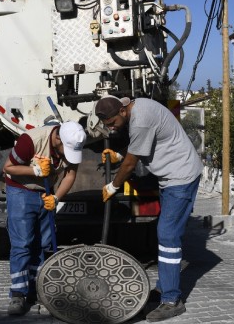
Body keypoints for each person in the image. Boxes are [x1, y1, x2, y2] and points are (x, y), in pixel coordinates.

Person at [95, 96, 203, 322]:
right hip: (170, 177)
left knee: (168, 235)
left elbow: (131, 164)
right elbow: (139, 143)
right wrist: (119, 153)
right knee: (166, 235)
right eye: (107, 126)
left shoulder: (141, 119)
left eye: (112, 122)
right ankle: (164, 288)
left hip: (180, 177)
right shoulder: (138, 106)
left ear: (123, 111)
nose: (112, 128)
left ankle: (172, 300)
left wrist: (113, 186)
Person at [1, 121, 87, 316]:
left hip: (46, 193)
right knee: (23, 243)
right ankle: (18, 294)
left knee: (44, 244)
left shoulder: (73, 141)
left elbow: (69, 175)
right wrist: (36, 171)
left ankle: (38, 289)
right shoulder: (30, 140)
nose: (68, 155)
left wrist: (56, 198)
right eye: (66, 150)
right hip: (21, 190)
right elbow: (8, 168)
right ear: (57, 138)